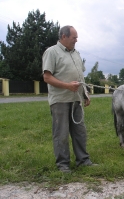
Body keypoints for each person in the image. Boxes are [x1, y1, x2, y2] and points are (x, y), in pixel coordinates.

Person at [42, 25, 95, 172]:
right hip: (60, 100)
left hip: (76, 100)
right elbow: (47, 77)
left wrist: (85, 93)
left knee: (80, 132)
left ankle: (83, 160)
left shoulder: (76, 53)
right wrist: (67, 86)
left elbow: (80, 76)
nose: (76, 40)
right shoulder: (51, 52)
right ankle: (63, 165)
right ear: (64, 37)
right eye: (74, 38)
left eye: (77, 38)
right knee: (61, 134)